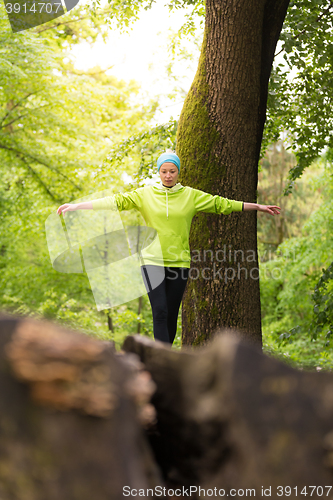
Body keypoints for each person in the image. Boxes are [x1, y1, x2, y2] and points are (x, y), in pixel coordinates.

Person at [57, 151, 280, 345]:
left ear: (178, 172)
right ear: (159, 172)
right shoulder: (144, 195)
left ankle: (166, 358)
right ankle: (160, 359)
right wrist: (77, 206)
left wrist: (257, 206)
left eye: (172, 171)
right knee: (160, 311)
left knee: (172, 314)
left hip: (180, 263)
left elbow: (221, 204)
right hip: (151, 261)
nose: (168, 175)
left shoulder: (190, 196)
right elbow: (114, 202)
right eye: (164, 171)